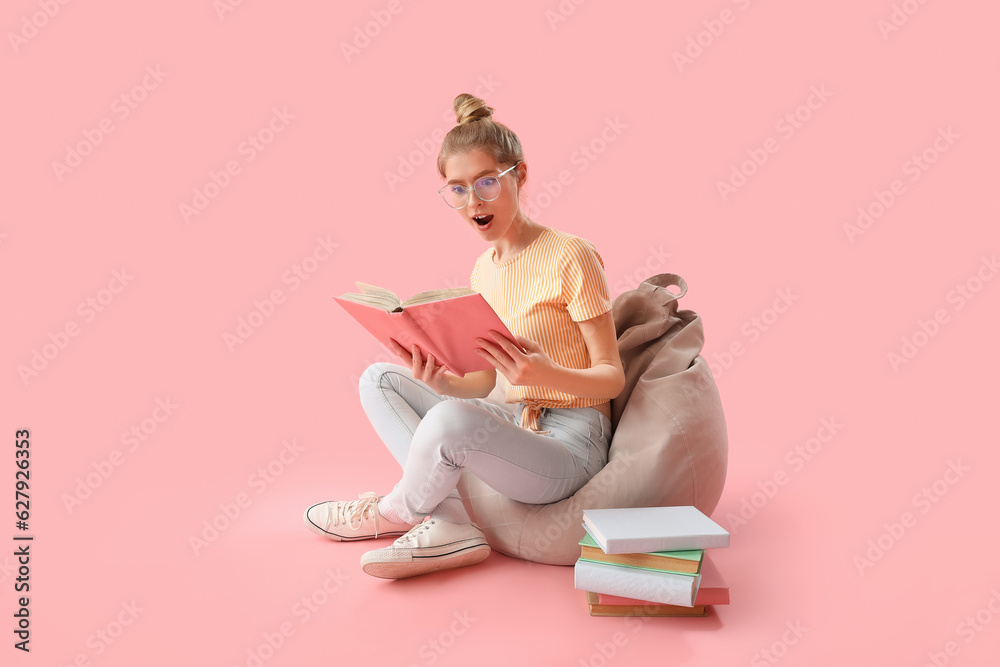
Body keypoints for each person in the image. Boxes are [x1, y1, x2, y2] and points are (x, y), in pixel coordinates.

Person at [304, 93, 625, 579]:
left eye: (487, 183)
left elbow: (611, 378)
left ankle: (394, 512)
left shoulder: (570, 255)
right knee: (380, 380)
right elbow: (487, 380)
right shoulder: (483, 271)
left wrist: (548, 373)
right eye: (457, 189)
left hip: (570, 442)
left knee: (452, 422)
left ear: (520, 175)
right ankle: (450, 521)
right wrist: (445, 383)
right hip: (512, 420)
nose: (474, 202)